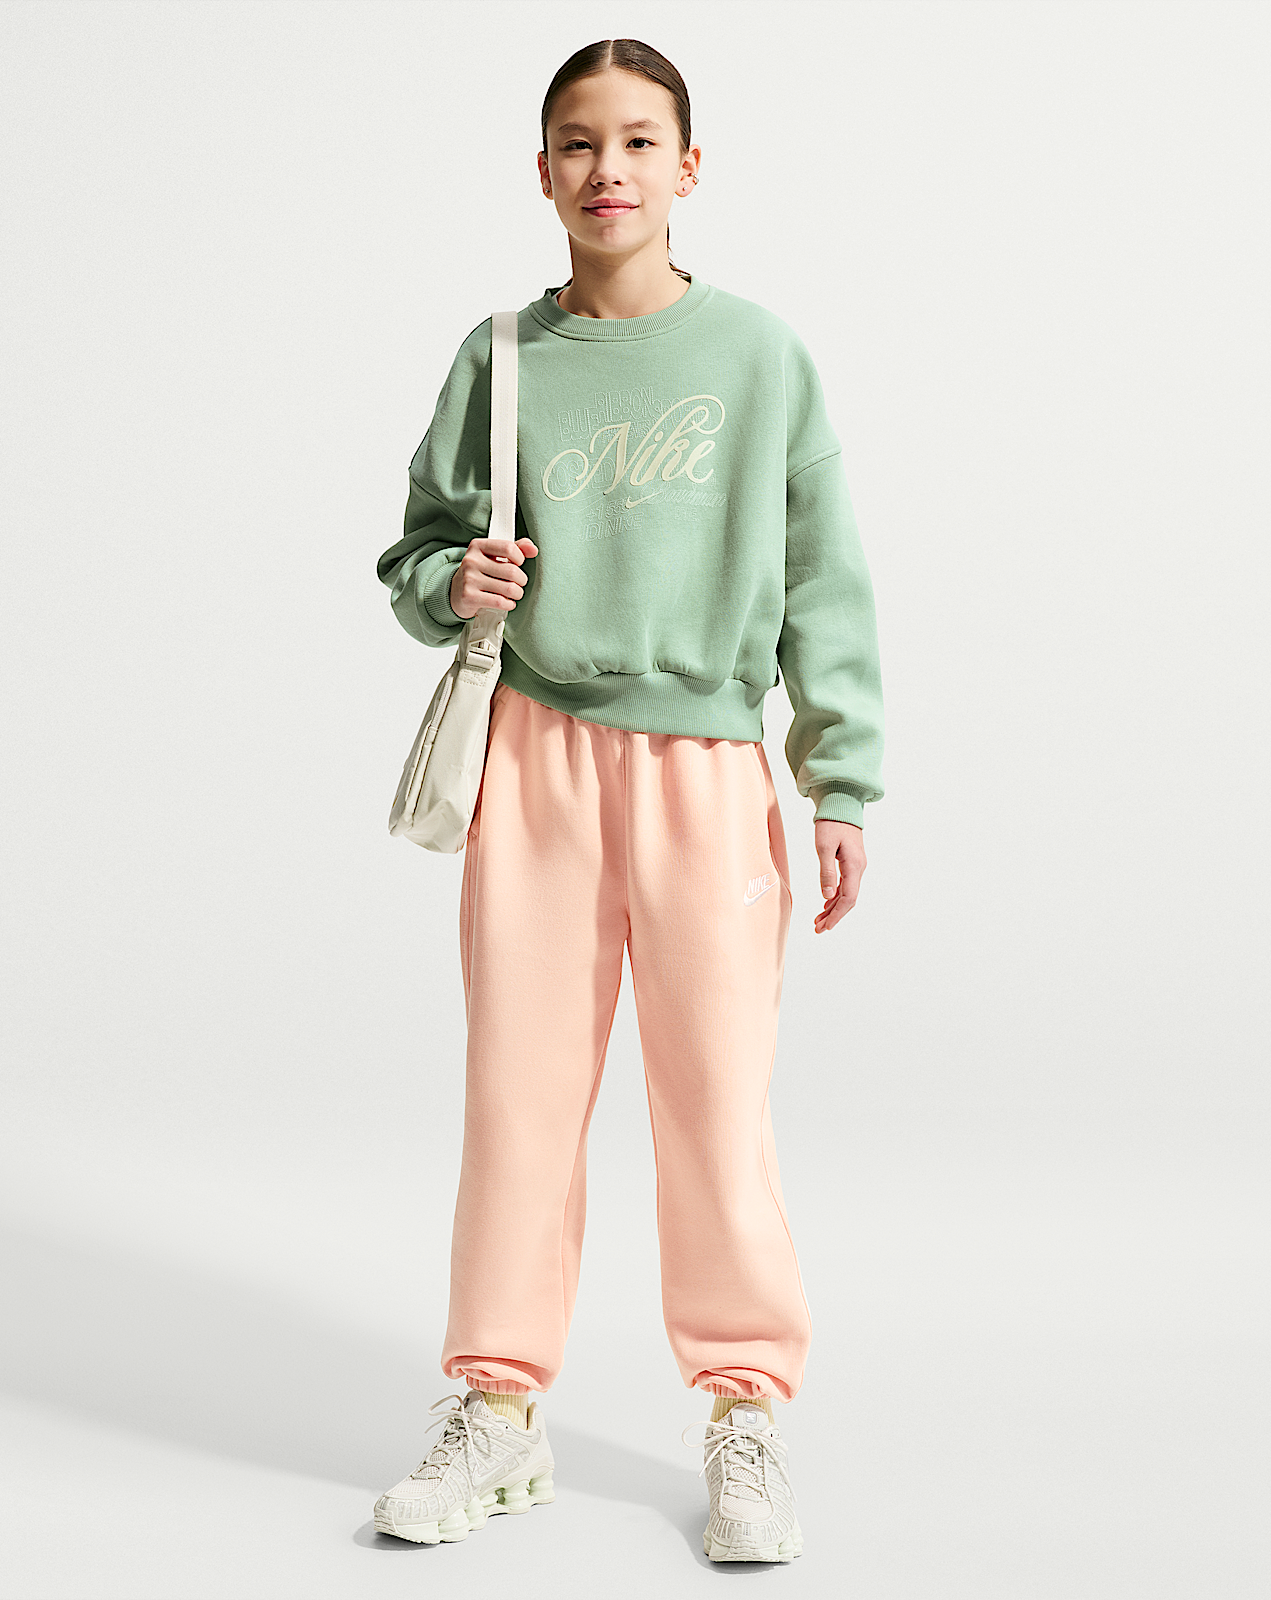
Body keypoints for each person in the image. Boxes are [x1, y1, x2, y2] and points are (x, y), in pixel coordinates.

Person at [372, 37, 884, 1565]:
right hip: (534, 758)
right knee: (519, 1096)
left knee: (715, 1099)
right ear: (543, 172)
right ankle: (498, 1405)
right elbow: (415, 552)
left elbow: (824, 580)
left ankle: (744, 1408)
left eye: (641, 140)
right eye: (581, 144)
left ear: (689, 166)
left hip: (708, 770)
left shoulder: (762, 359)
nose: (611, 169)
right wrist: (452, 582)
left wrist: (840, 778)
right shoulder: (500, 357)